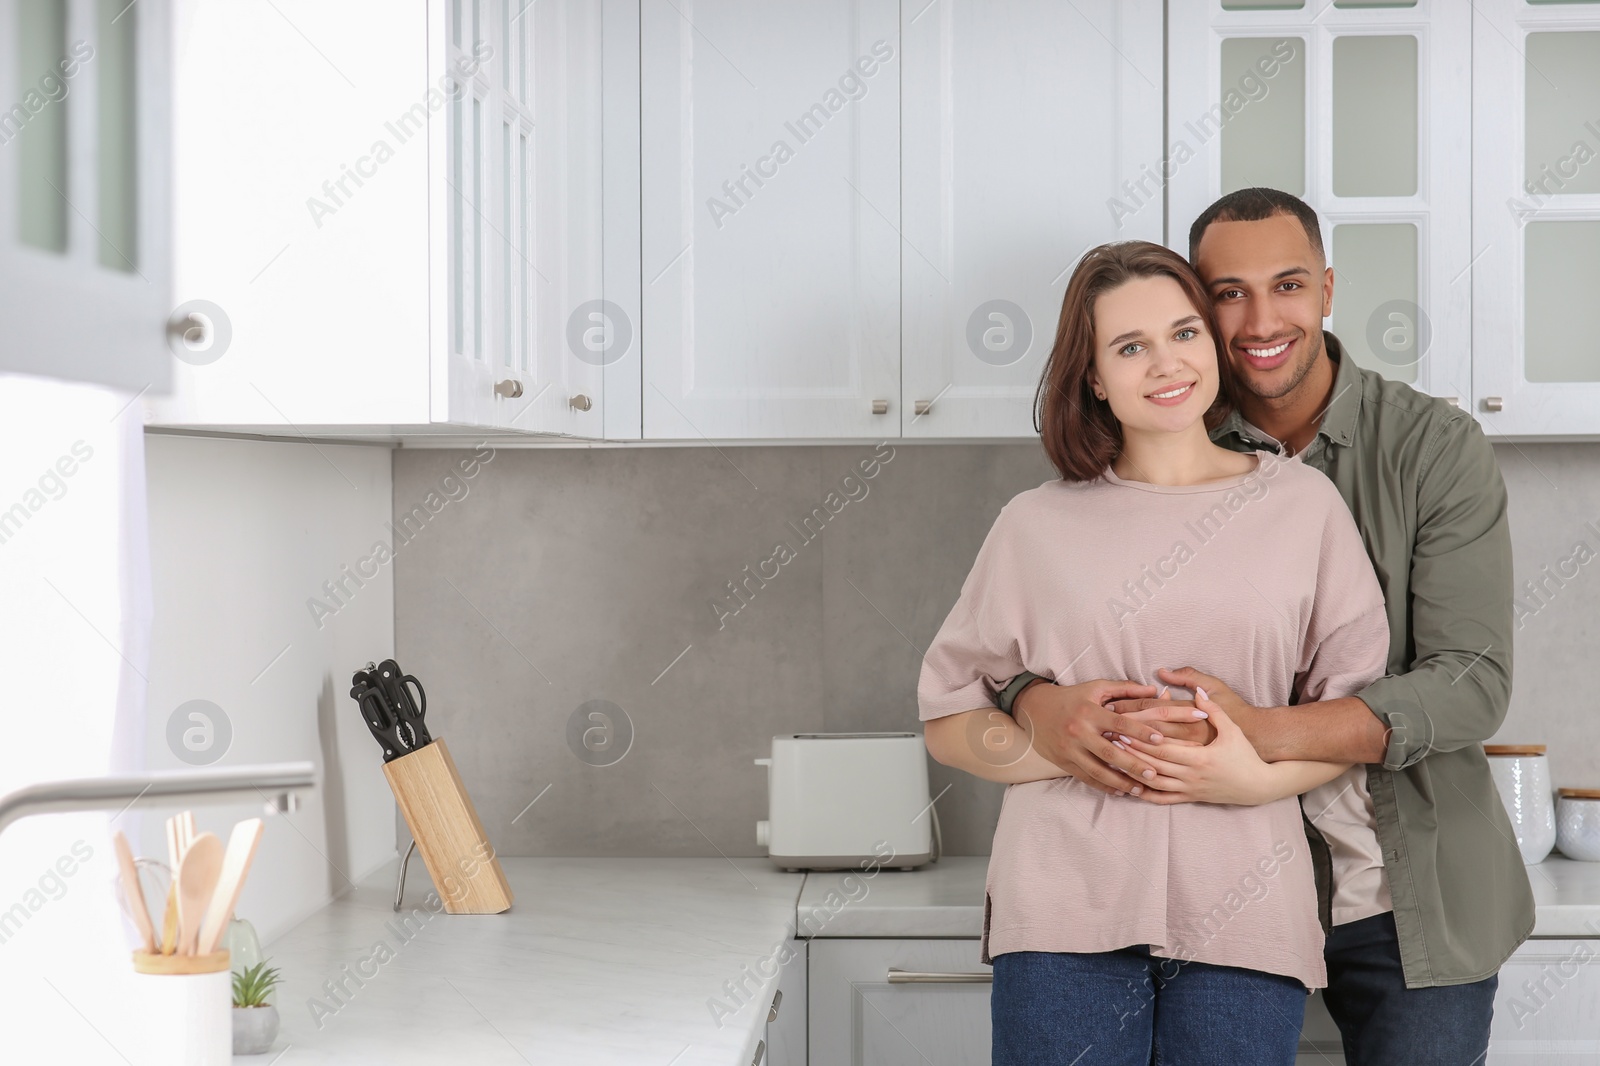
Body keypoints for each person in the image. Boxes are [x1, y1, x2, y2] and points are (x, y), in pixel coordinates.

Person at [990, 188, 1534, 1065]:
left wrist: (1260, 740)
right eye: (1226, 294)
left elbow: (1471, 679)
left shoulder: (1431, 444)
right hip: (1216, 891)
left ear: (1325, 289)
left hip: (1400, 888)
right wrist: (1033, 696)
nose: (1258, 317)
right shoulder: (1157, 430)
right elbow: (1046, 622)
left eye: (1285, 285)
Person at [919, 238, 1392, 1065]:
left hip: (1246, 905)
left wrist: (1253, 777)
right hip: (1063, 907)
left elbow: (1350, 708)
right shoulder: (1035, 524)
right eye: (1130, 347)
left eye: (1185, 333)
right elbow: (948, 715)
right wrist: (1053, 747)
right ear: (1094, 375)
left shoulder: (1303, 504)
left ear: (1213, 345)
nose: (1166, 363)